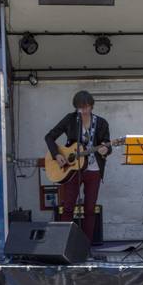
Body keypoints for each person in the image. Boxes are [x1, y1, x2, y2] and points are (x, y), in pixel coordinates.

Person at [45, 90, 112, 243]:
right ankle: (64, 243)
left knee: (90, 209)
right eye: (80, 108)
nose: (83, 111)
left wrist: (105, 149)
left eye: (86, 107)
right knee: (68, 207)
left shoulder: (101, 123)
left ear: (92, 106)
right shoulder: (70, 119)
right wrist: (57, 154)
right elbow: (49, 136)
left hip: (93, 170)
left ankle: (86, 245)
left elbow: (107, 145)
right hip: (72, 170)